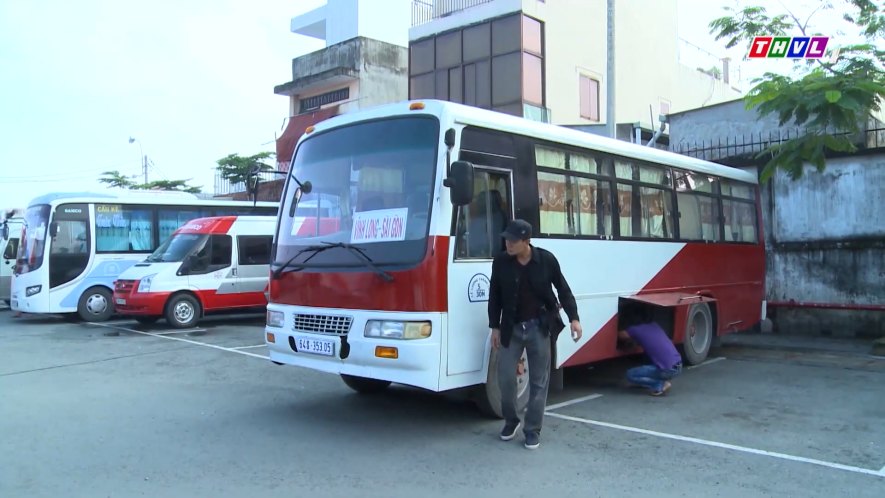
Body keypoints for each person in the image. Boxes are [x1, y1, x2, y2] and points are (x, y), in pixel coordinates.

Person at [488, 219, 582, 450]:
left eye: (513, 240)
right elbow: (495, 294)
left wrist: (574, 319)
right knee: (506, 379)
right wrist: (495, 327)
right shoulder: (501, 262)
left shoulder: (546, 260)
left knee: (539, 382)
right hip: (512, 327)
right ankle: (511, 420)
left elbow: (563, 289)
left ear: (526, 241)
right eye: (506, 239)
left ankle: (532, 430)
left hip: (539, 328)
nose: (508, 244)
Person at [617, 306, 683, 396]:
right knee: (646, 364)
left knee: (630, 374)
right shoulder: (654, 325)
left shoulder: (633, 329)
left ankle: (659, 384)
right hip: (678, 365)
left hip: (667, 370)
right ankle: (658, 381)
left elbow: (620, 334)